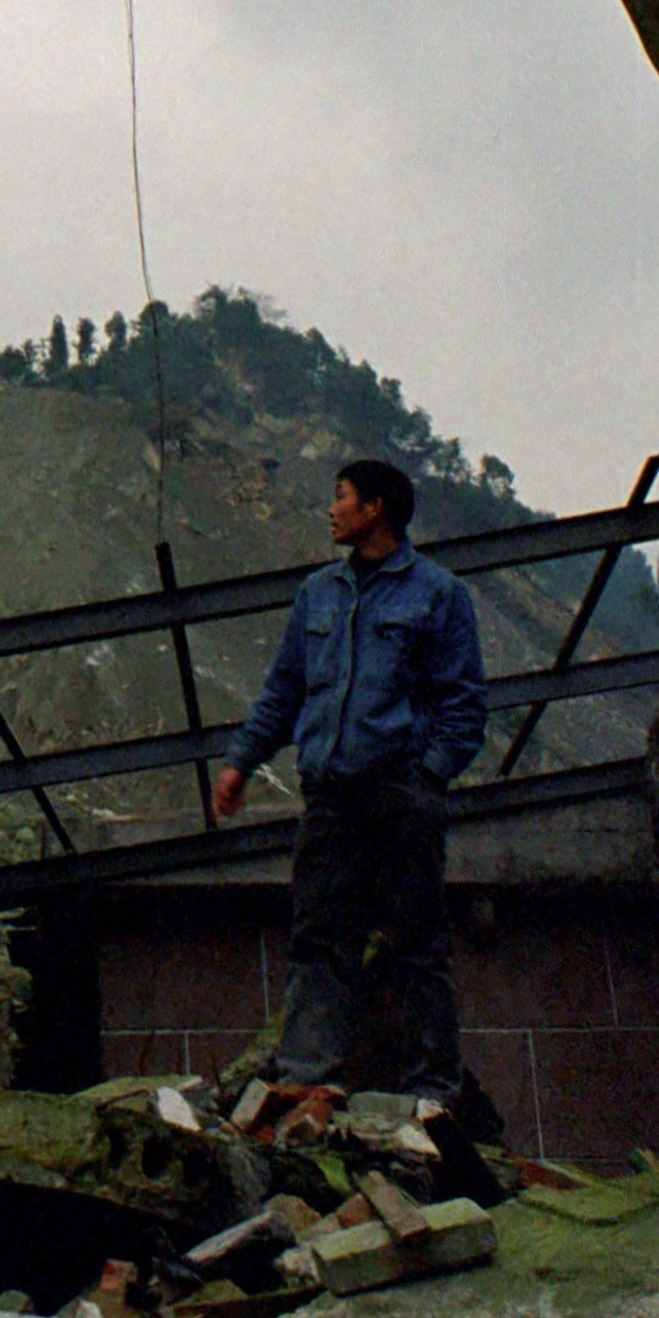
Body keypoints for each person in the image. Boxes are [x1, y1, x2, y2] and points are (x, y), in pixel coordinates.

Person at [209, 455, 486, 1108]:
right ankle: (307, 1079)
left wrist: (426, 779)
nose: (329, 510)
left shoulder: (437, 595)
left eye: (340, 497)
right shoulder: (318, 595)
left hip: (398, 797)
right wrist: (240, 760)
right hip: (329, 798)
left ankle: (431, 1095)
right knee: (317, 940)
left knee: (415, 946)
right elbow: (283, 691)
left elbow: (464, 706)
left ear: (375, 509)